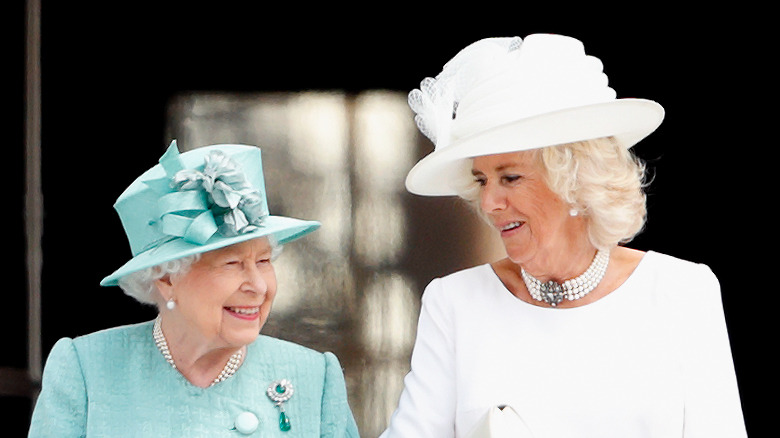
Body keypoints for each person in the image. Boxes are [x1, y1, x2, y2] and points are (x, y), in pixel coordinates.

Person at [380, 34, 746, 437]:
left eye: (510, 177)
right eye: (482, 181)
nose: (488, 203)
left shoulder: (683, 292)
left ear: (575, 180)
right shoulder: (454, 304)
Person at [29, 141, 359, 437]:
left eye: (263, 261)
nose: (258, 286)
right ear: (167, 280)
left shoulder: (314, 379)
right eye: (232, 264)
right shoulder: (86, 369)